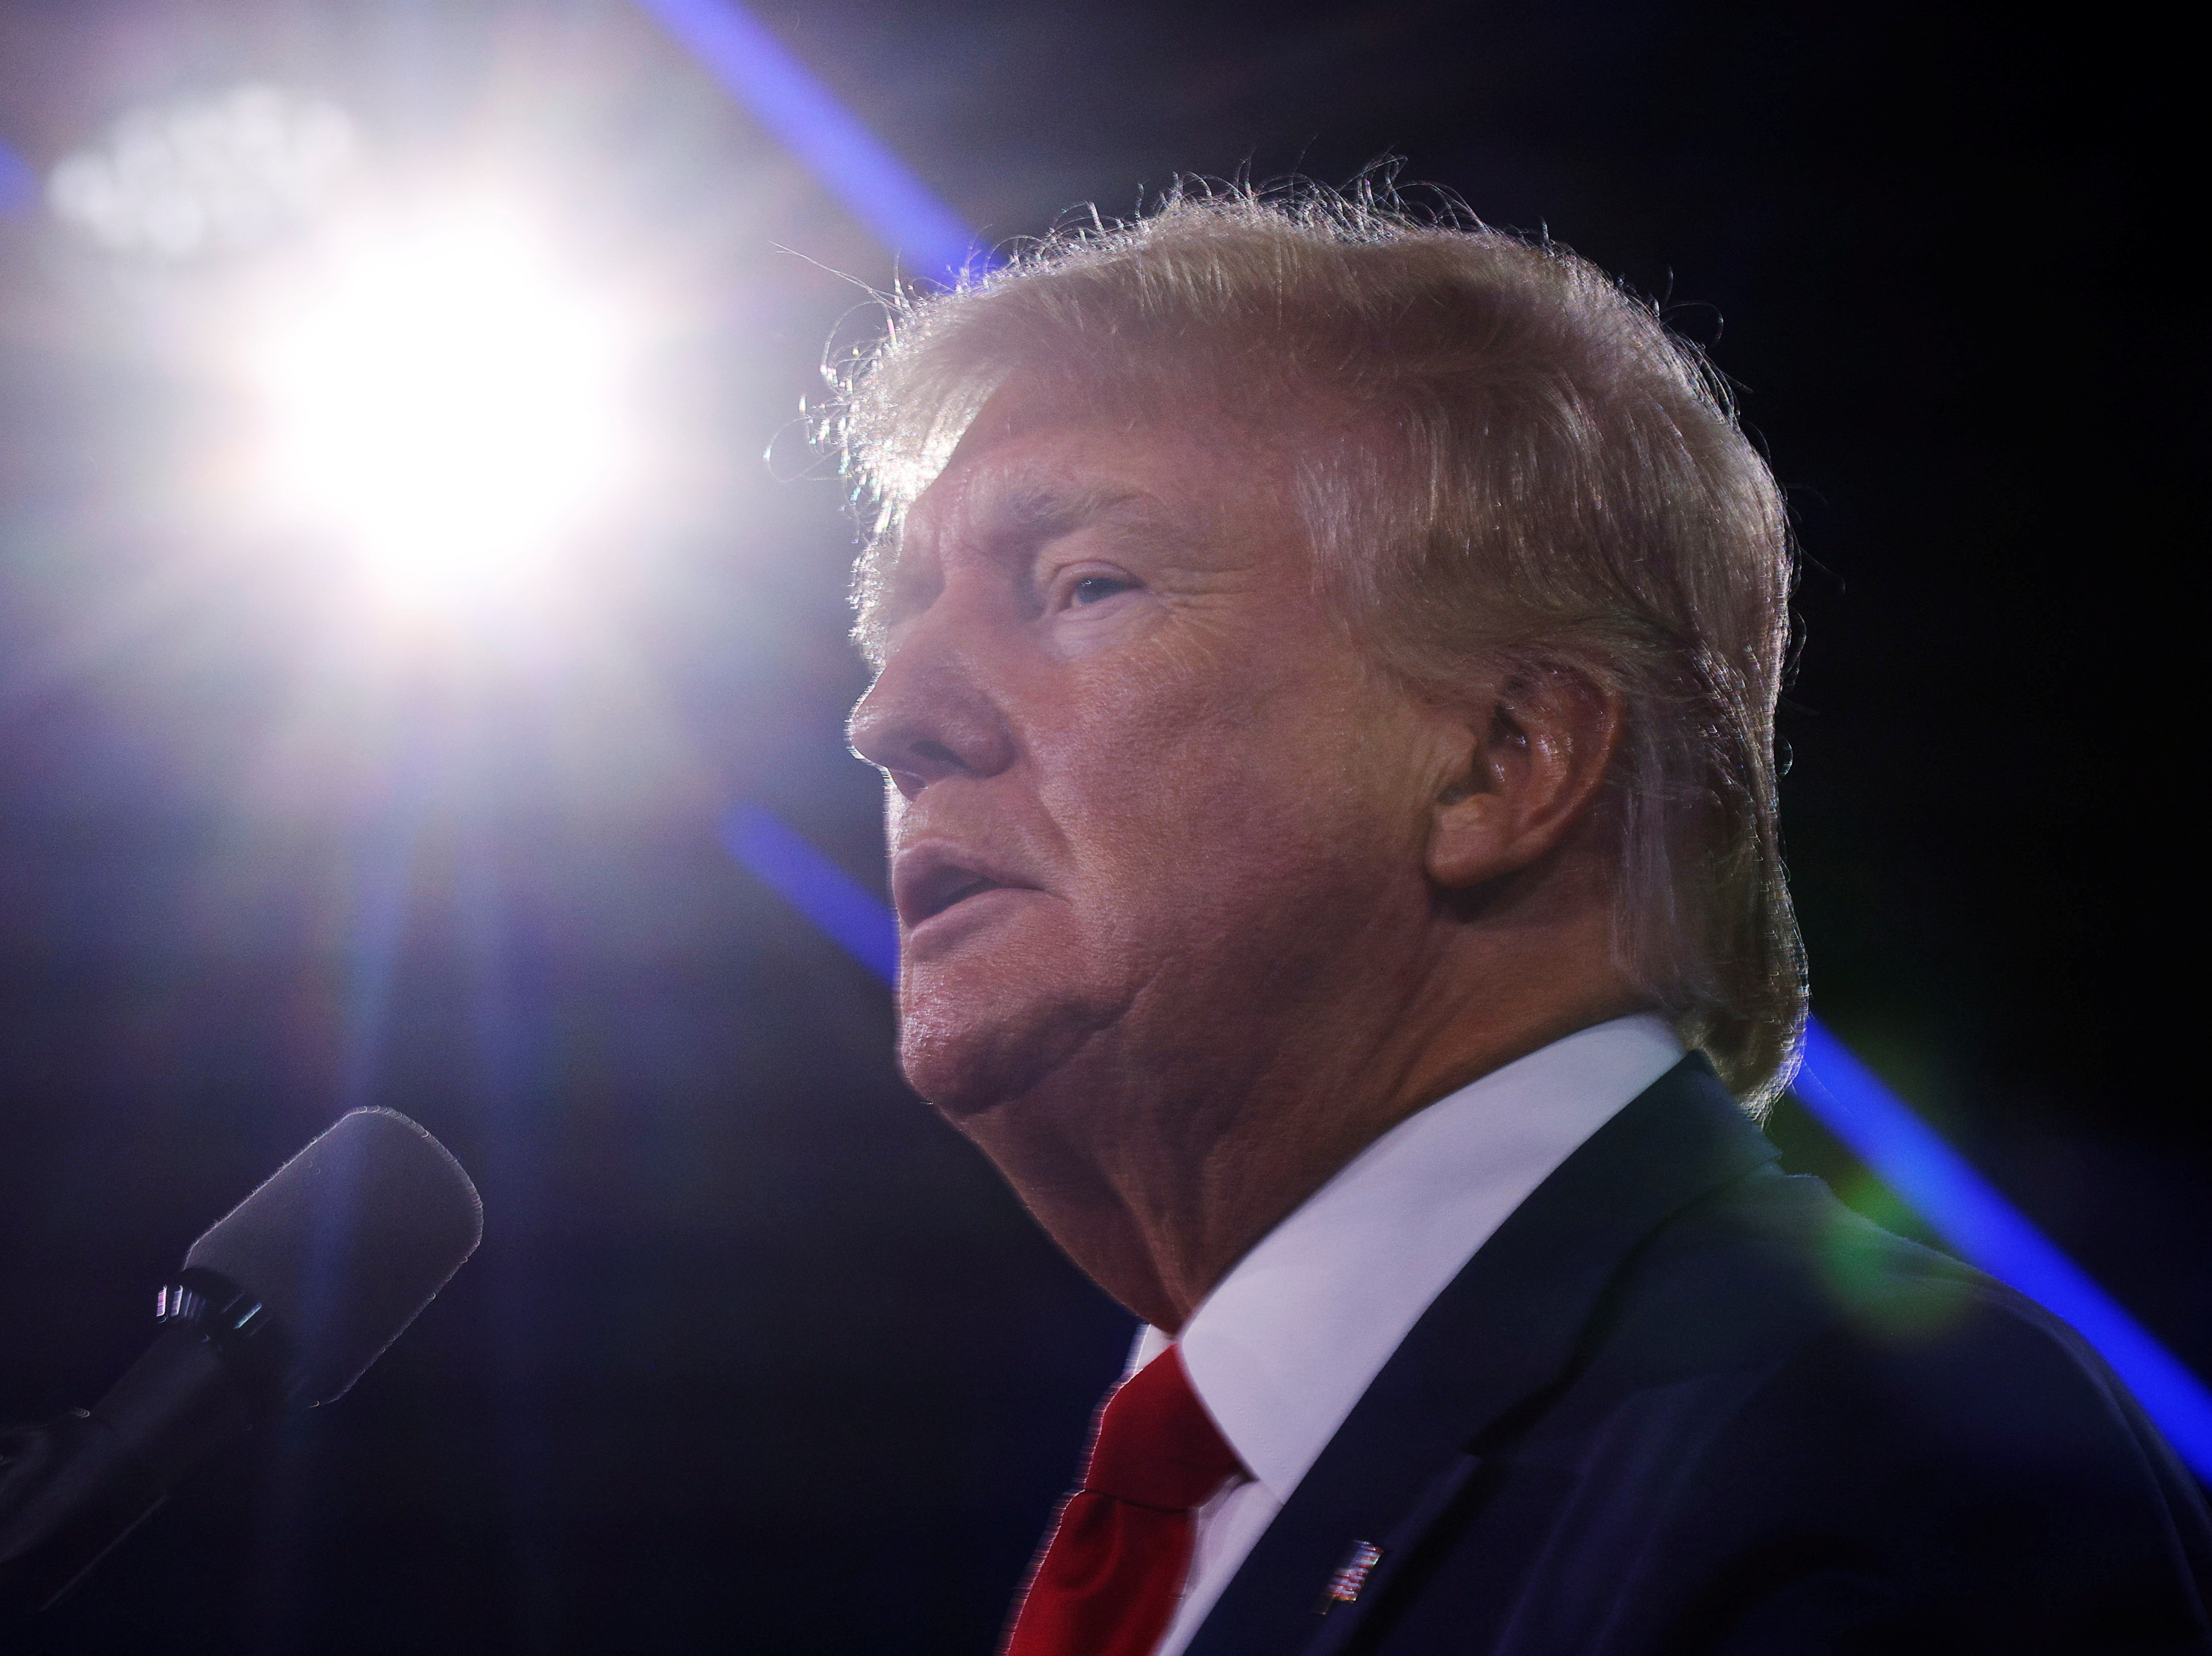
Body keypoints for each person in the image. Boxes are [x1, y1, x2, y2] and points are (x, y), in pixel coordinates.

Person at [837, 187, 2211, 1655]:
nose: (888, 716)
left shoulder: (1878, 1487)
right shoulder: (1206, 1505)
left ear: (1503, 761)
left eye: (1083, 586)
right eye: (901, 622)